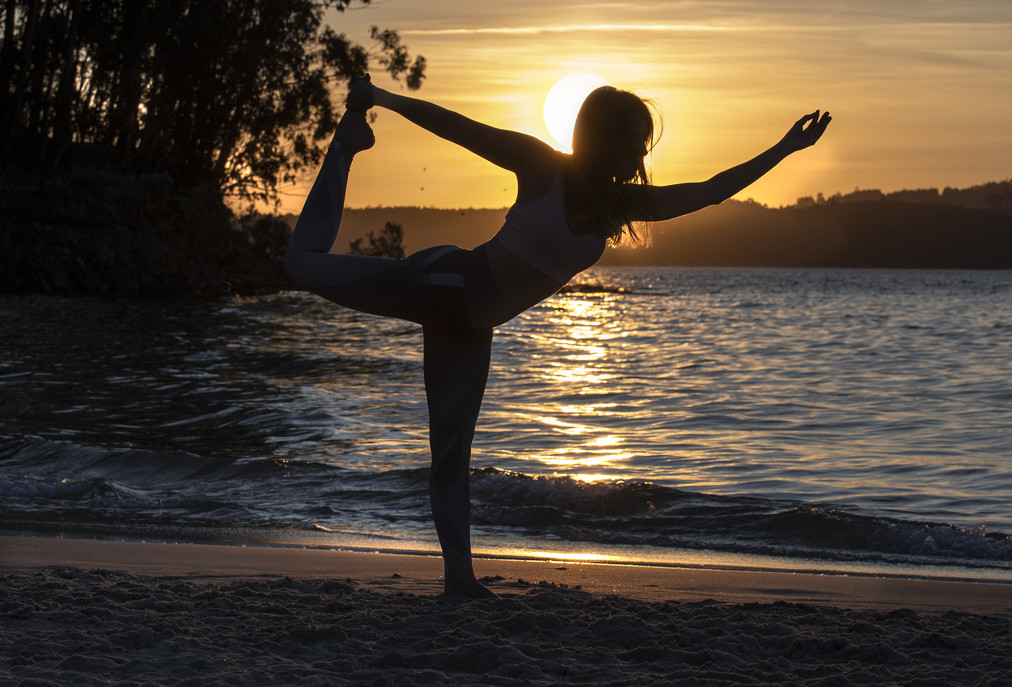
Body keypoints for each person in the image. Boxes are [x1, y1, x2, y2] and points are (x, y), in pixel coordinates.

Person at [284, 75, 831, 598]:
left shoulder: (621, 204)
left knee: (451, 454)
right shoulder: (541, 164)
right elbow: (455, 125)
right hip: (444, 283)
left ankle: (458, 580)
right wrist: (379, 97)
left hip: (471, 326)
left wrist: (785, 147)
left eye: (645, 145)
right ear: (605, 137)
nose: (640, 156)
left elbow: (711, 191)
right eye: (634, 142)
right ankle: (347, 144)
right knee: (301, 264)